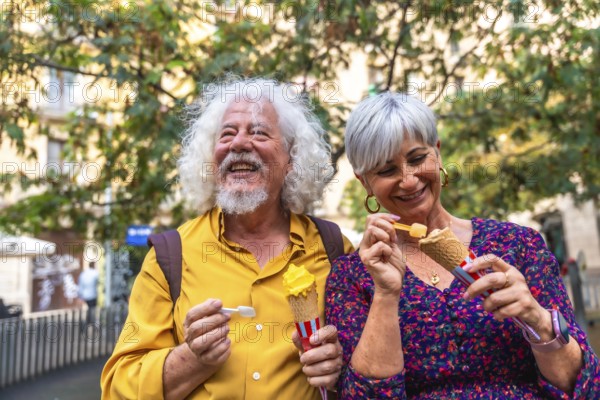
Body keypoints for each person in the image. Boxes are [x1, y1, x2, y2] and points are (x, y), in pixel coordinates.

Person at [326, 92, 600, 398]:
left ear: (438, 154)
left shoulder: (518, 245)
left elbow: (584, 387)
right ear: (365, 182)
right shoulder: (352, 276)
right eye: (387, 170)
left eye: (417, 159)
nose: (409, 180)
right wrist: (386, 296)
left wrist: (537, 319)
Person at [101, 78, 354, 399]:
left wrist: (339, 369)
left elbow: (374, 371)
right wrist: (192, 358)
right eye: (227, 133)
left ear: (292, 159)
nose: (239, 143)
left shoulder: (334, 249)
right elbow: (117, 387)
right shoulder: (171, 255)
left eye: (259, 132)